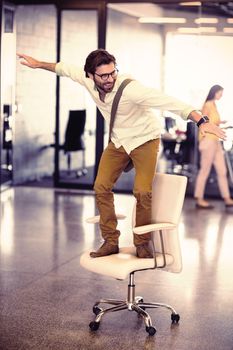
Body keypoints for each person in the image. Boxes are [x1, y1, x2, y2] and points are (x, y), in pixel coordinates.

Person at [17, 49, 225, 258]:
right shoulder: (86, 79)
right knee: (101, 186)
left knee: (142, 190)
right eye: (103, 75)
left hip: (145, 138)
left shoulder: (130, 89)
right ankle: (110, 240)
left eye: (112, 72)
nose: (109, 79)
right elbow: (63, 69)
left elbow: (167, 101)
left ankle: (142, 243)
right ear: (90, 75)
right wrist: (38, 64)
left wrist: (201, 121)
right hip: (119, 141)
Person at [194, 85, 233, 209]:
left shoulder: (214, 105)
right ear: (214, 92)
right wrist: (202, 141)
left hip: (215, 142)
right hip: (208, 141)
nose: (221, 95)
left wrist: (221, 124)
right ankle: (199, 198)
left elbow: (212, 122)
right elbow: (202, 123)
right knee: (204, 170)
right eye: (220, 93)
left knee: (222, 171)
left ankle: (227, 198)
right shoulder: (207, 105)